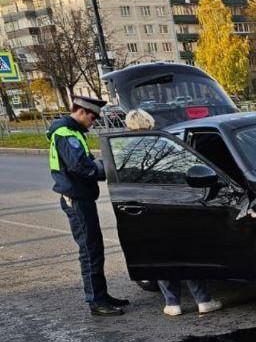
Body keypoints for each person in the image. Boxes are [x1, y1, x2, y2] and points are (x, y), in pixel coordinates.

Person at [123, 109, 223, 317]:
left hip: (145, 208)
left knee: (160, 256)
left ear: (128, 127)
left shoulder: (126, 151)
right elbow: (184, 170)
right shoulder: (164, 143)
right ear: (149, 124)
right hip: (173, 204)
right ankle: (203, 300)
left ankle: (172, 303)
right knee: (185, 253)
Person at [48, 96, 128, 316]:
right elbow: (82, 167)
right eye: (92, 118)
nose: (93, 123)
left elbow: (87, 161)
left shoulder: (72, 132)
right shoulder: (65, 134)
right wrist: (108, 170)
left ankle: (101, 295)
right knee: (89, 250)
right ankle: (96, 301)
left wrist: (103, 164)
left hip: (81, 197)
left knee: (95, 247)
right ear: (81, 112)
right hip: (77, 199)